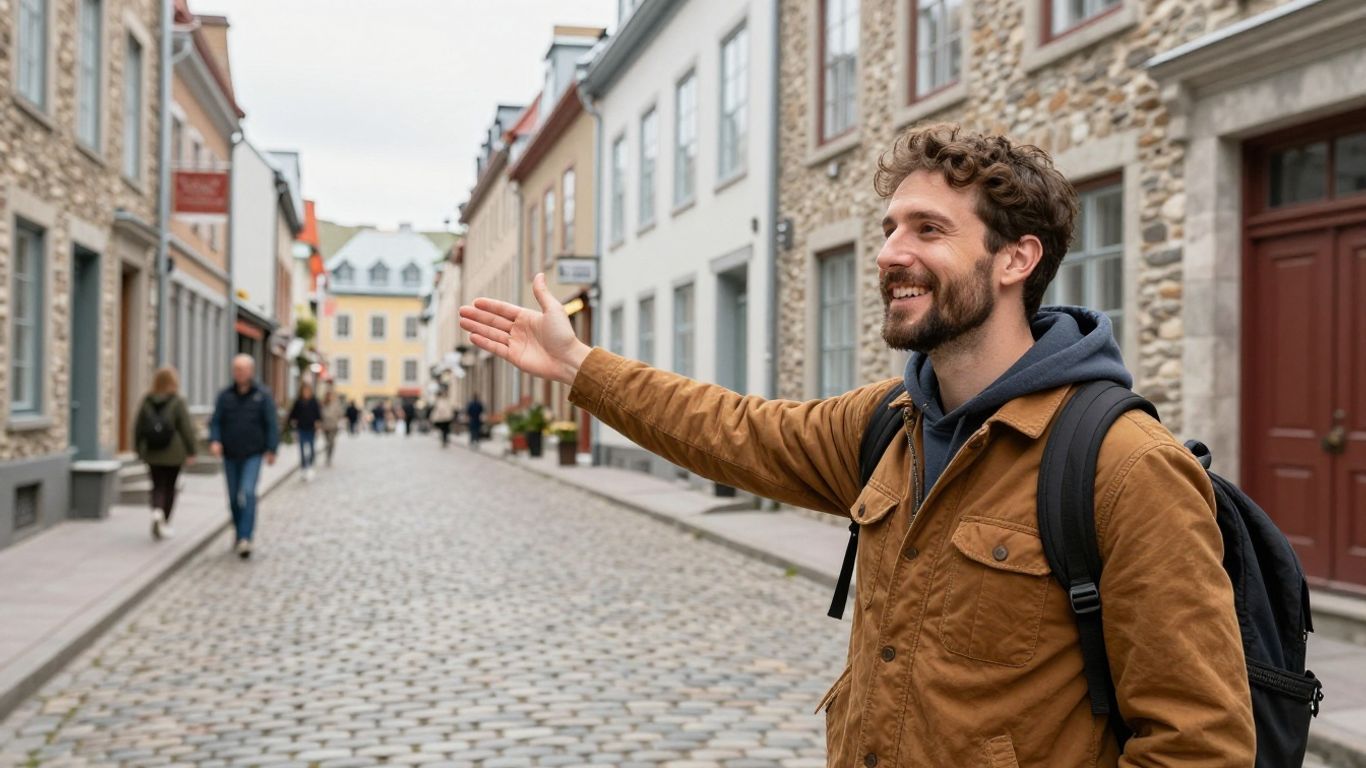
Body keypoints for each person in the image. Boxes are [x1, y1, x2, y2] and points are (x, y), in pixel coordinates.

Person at [458, 124, 1254, 766]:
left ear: (1017, 258)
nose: (888, 253)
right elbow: (733, 430)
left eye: (929, 229)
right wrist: (578, 365)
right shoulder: (891, 421)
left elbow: (1200, 744)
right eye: (888, 229)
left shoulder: (1125, 466)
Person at [209, 354, 279, 560]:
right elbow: (216, 421)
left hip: (253, 453)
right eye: (236, 369)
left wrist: (272, 449)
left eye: (243, 369)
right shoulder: (225, 396)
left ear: (251, 371)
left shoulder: (262, 395)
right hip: (230, 453)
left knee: (248, 492)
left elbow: (271, 423)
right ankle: (239, 531)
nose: (239, 373)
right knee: (232, 497)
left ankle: (246, 537)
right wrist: (215, 440)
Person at [133, 366, 197, 541]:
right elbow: (186, 428)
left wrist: (138, 448)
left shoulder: (147, 400)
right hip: (173, 452)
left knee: (157, 484)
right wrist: (192, 450)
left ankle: (156, 510)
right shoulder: (177, 401)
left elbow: (138, 426)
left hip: (152, 451)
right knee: (170, 486)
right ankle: (165, 522)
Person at [288, 382, 322, 481]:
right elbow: (292, 414)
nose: (306, 392)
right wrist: (292, 422)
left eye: (308, 390)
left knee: (311, 448)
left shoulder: (314, 401)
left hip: (311, 428)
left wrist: (318, 423)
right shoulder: (298, 402)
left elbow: (318, 414)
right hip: (301, 428)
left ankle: (310, 465)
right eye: (304, 391)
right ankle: (303, 467)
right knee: (302, 449)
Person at [321, 388, 344, 467]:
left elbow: (341, 414)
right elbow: (320, 414)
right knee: (327, 443)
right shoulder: (323, 403)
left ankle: (329, 458)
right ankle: (327, 456)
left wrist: (339, 419)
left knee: (332, 442)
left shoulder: (336, 404)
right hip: (325, 426)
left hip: (333, 426)